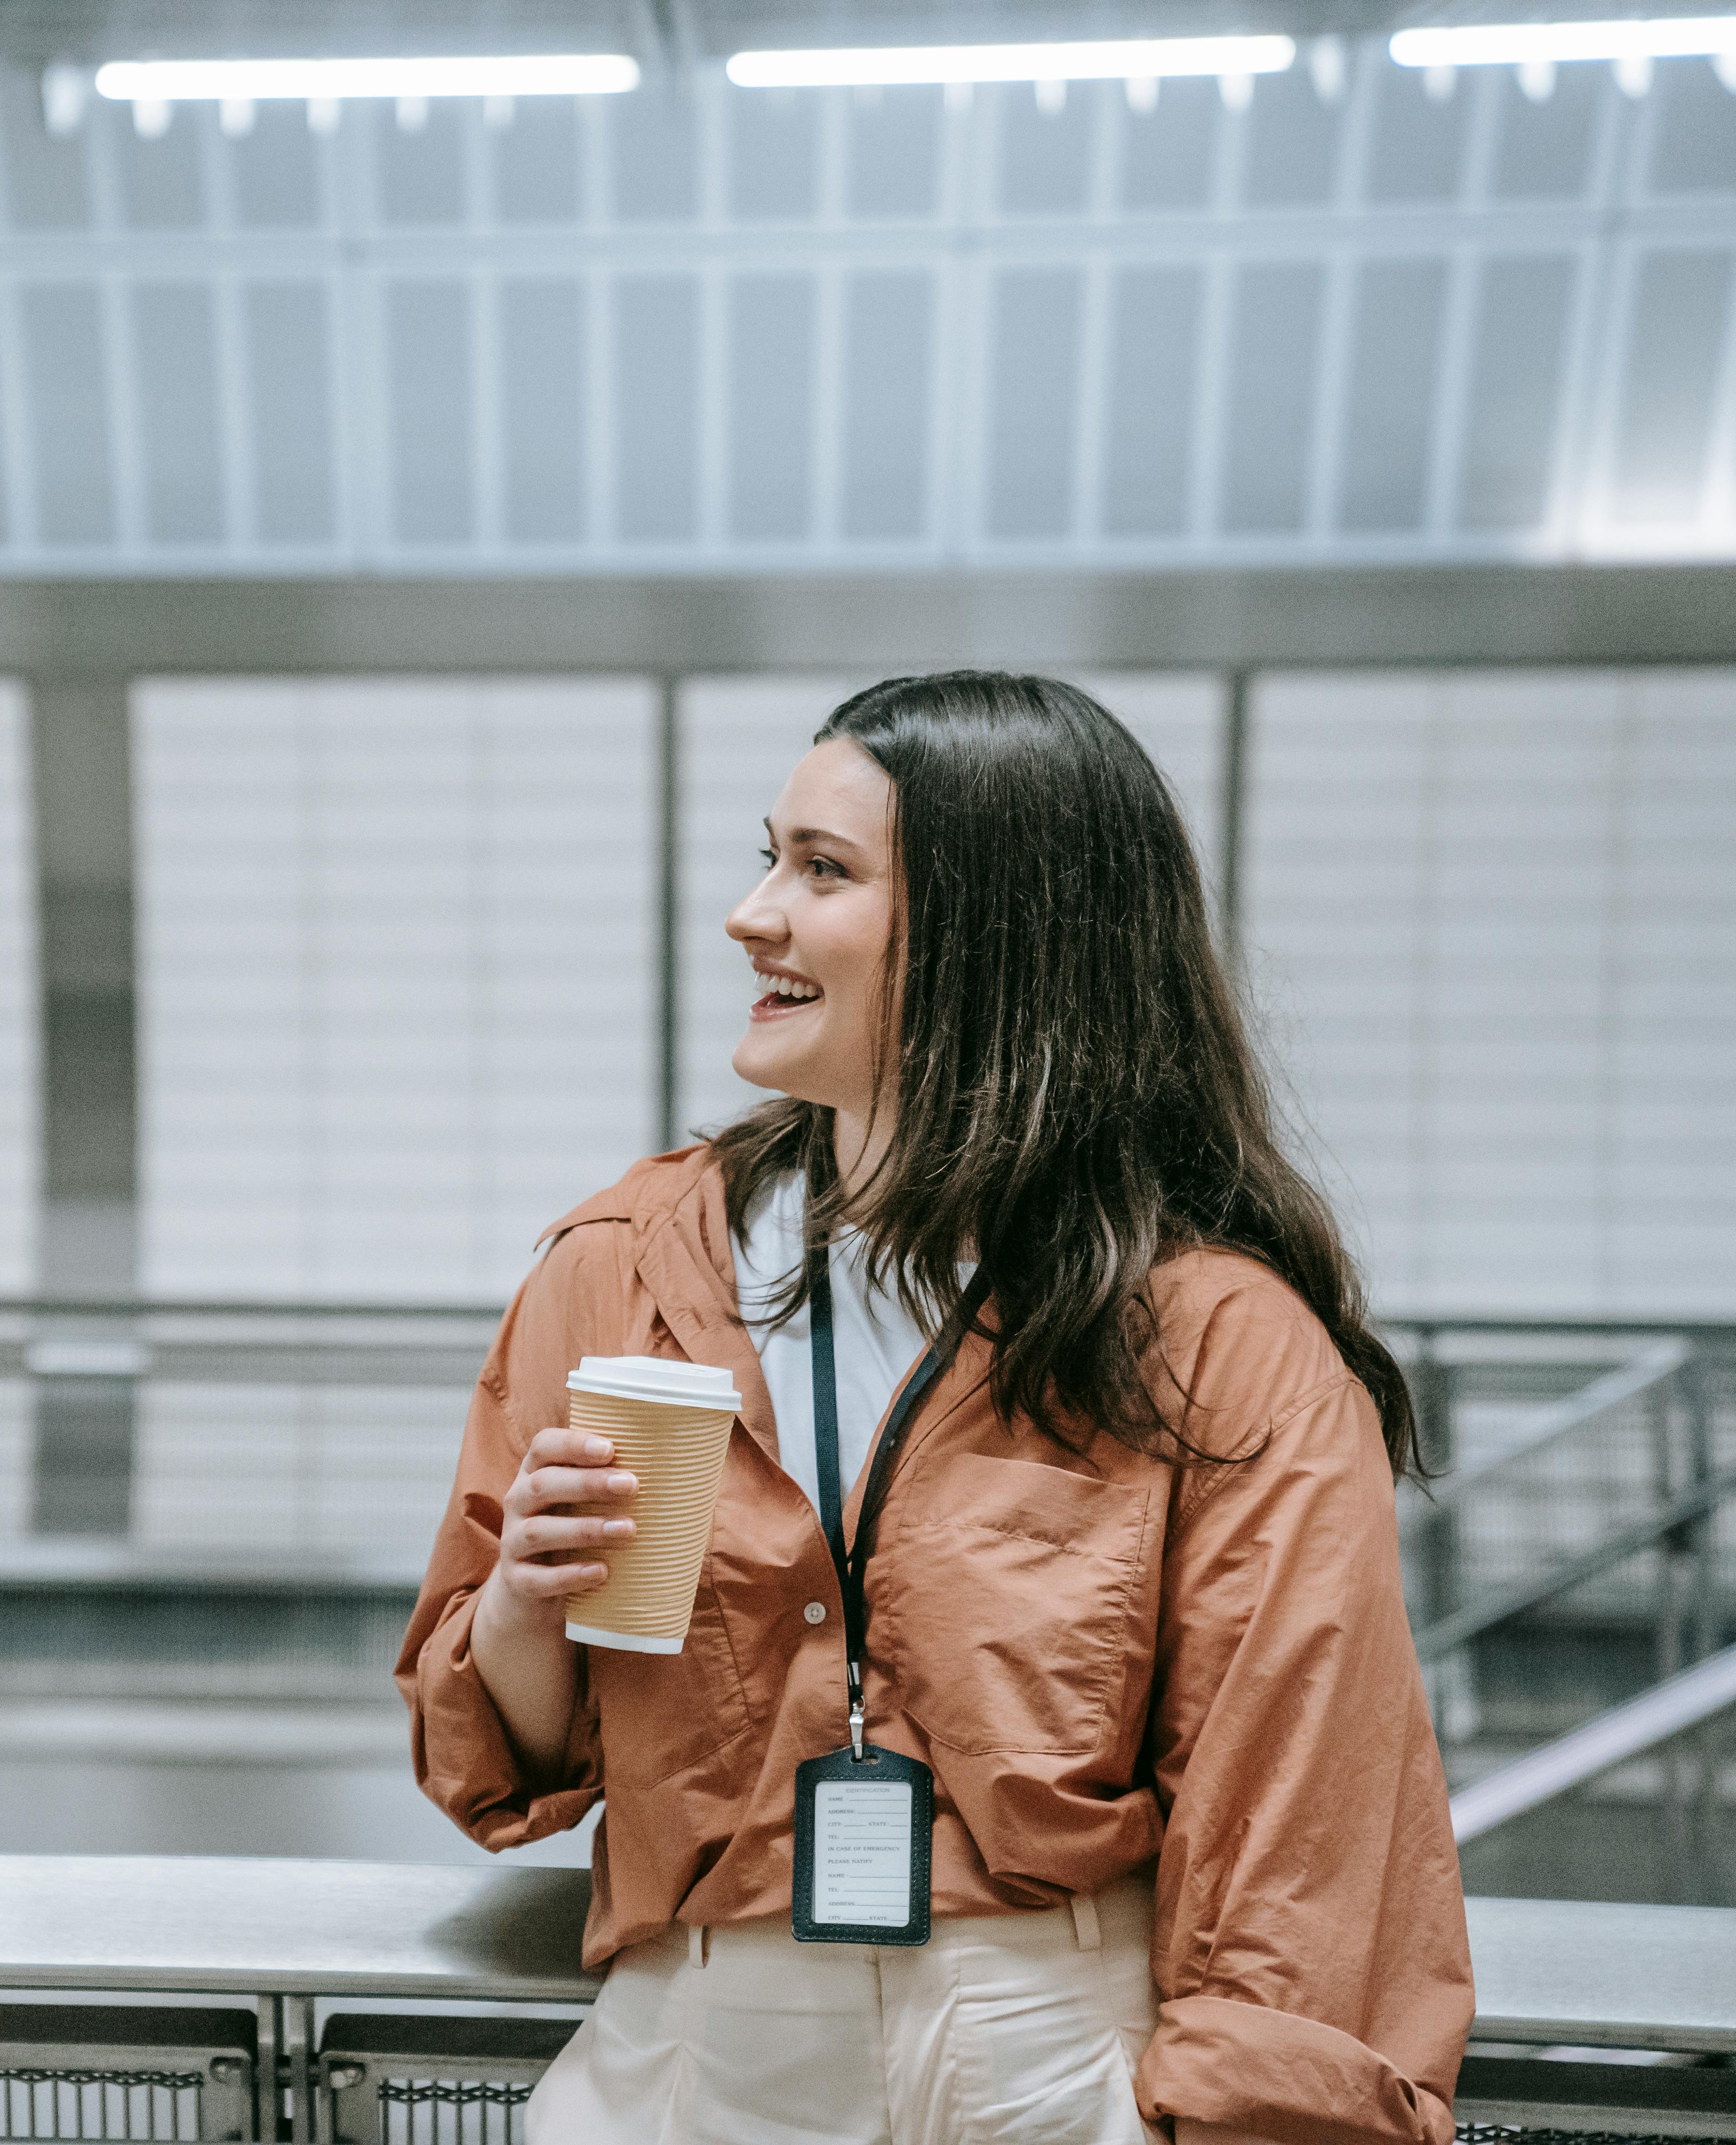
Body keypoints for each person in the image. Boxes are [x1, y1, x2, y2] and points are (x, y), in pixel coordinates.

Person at [398, 673, 1472, 2145]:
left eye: (823, 871)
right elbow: (496, 1764)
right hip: (688, 2051)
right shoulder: (625, 1271)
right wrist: (524, 1605)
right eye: (765, 855)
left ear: (999, 936)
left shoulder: (1218, 1341)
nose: (752, 914)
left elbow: (1306, 1830)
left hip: (1044, 2055)